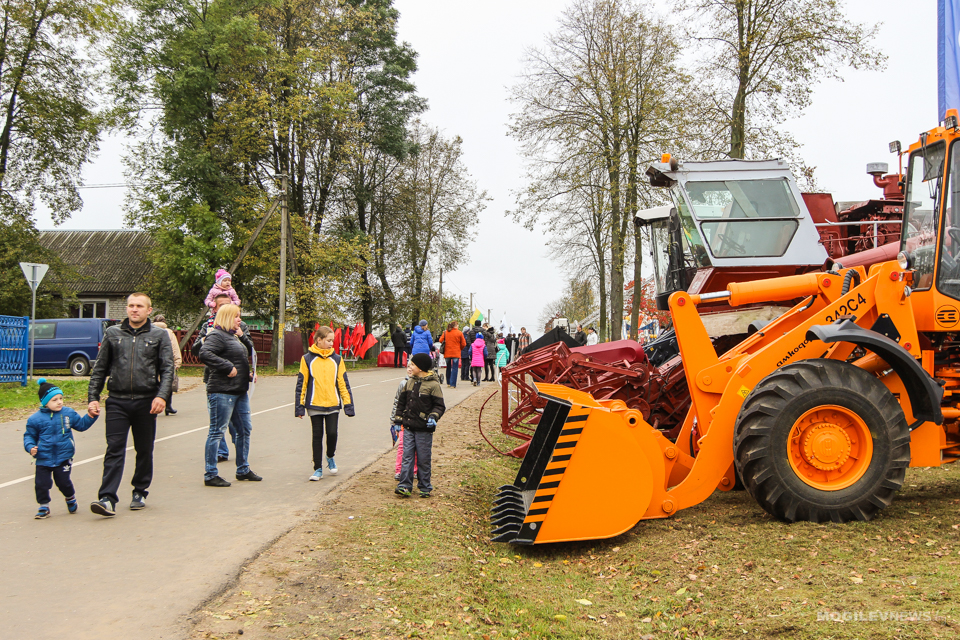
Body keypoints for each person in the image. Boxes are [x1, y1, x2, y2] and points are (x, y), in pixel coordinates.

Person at [88, 292, 175, 517]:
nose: (134, 309)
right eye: (131, 306)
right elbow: (100, 368)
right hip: (117, 400)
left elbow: (167, 369)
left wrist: (162, 396)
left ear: (149, 310)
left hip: (147, 402)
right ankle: (107, 498)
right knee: (114, 449)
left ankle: (140, 491)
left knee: (144, 449)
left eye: (139, 306)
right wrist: (93, 397)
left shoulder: (159, 335)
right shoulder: (113, 333)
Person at [199, 303, 261, 487]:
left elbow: (240, 360)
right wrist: (227, 367)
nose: (240, 320)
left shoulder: (233, 336)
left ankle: (242, 469)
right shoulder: (217, 335)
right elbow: (204, 353)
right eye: (236, 316)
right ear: (227, 317)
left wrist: (247, 374)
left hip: (239, 391)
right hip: (222, 392)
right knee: (217, 432)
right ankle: (210, 473)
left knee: (244, 429)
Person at [24, 379, 98, 519]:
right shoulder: (35, 419)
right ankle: (44, 506)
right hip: (43, 457)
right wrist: (30, 447)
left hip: (63, 456)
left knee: (63, 482)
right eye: (54, 400)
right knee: (41, 484)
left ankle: (70, 497)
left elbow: (81, 425)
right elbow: (29, 436)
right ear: (45, 402)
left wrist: (91, 416)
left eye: (61, 398)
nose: (59, 402)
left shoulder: (68, 413)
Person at [192, 293, 251, 463]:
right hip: (218, 383)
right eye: (222, 305)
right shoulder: (209, 328)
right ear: (216, 309)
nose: (238, 318)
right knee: (219, 426)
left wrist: (247, 370)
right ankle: (220, 455)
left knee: (241, 428)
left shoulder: (240, 328)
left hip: (239, 385)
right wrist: (206, 338)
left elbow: (248, 351)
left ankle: (242, 464)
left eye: (229, 304)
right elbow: (199, 351)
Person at [295, 326, 355, 481]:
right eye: (328, 340)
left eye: (332, 341)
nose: (331, 343)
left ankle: (330, 456)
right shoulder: (307, 359)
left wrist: (348, 404)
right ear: (318, 340)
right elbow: (302, 383)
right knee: (317, 436)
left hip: (333, 404)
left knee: (332, 433)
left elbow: (343, 383)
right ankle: (318, 468)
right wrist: (299, 406)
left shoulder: (337, 359)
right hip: (315, 404)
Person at [394, 352, 445, 498]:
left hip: (424, 429)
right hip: (409, 426)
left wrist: (434, 416)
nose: (410, 367)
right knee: (407, 457)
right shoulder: (409, 382)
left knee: (423, 458)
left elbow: (439, 406)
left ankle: (425, 486)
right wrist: (398, 420)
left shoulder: (433, 385)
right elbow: (401, 402)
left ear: (421, 368)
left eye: (413, 365)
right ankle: (404, 485)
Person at [391, 360, 417, 481]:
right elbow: (397, 402)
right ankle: (399, 470)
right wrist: (394, 421)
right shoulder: (403, 384)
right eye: (408, 366)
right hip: (403, 421)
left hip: (416, 422)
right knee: (402, 446)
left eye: (413, 366)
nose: (410, 369)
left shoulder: (421, 384)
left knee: (416, 446)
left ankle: (414, 470)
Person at [152, 314, 183, 416]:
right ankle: (168, 406)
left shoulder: (149, 331)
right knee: (167, 383)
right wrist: (177, 361)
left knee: (153, 382)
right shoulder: (168, 332)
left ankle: (152, 404)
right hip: (166, 361)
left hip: (152, 362)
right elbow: (174, 347)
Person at [439, 321, 466, 388]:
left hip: (447, 352)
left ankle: (448, 382)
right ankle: (453, 384)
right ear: (456, 326)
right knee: (454, 368)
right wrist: (460, 348)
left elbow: (440, 340)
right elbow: (464, 344)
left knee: (448, 367)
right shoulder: (459, 333)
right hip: (456, 353)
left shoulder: (445, 332)